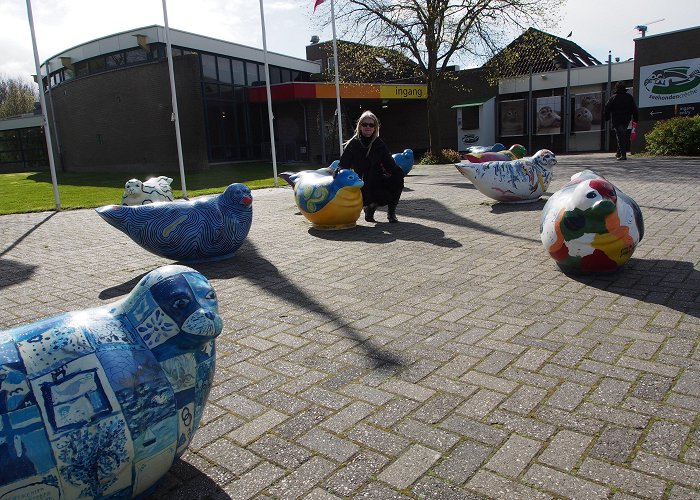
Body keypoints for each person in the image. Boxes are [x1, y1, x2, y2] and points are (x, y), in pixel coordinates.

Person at [338, 110, 405, 222]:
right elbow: (343, 165)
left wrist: (398, 174)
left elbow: (390, 165)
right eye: (365, 124)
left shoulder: (379, 144)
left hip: (377, 182)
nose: (368, 127)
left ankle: (391, 212)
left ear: (375, 127)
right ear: (360, 126)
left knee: (398, 178)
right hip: (360, 185)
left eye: (371, 125)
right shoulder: (353, 144)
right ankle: (370, 207)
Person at [604, 82, 639, 160]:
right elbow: (634, 109)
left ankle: (623, 155)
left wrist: (607, 118)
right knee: (621, 135)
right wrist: (635, 119)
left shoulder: (613, 97)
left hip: (617, 120)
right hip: (626, 120)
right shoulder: (629, 97)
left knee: (620, 136)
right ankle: (618, 153)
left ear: (616, 89)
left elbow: (607, 108)